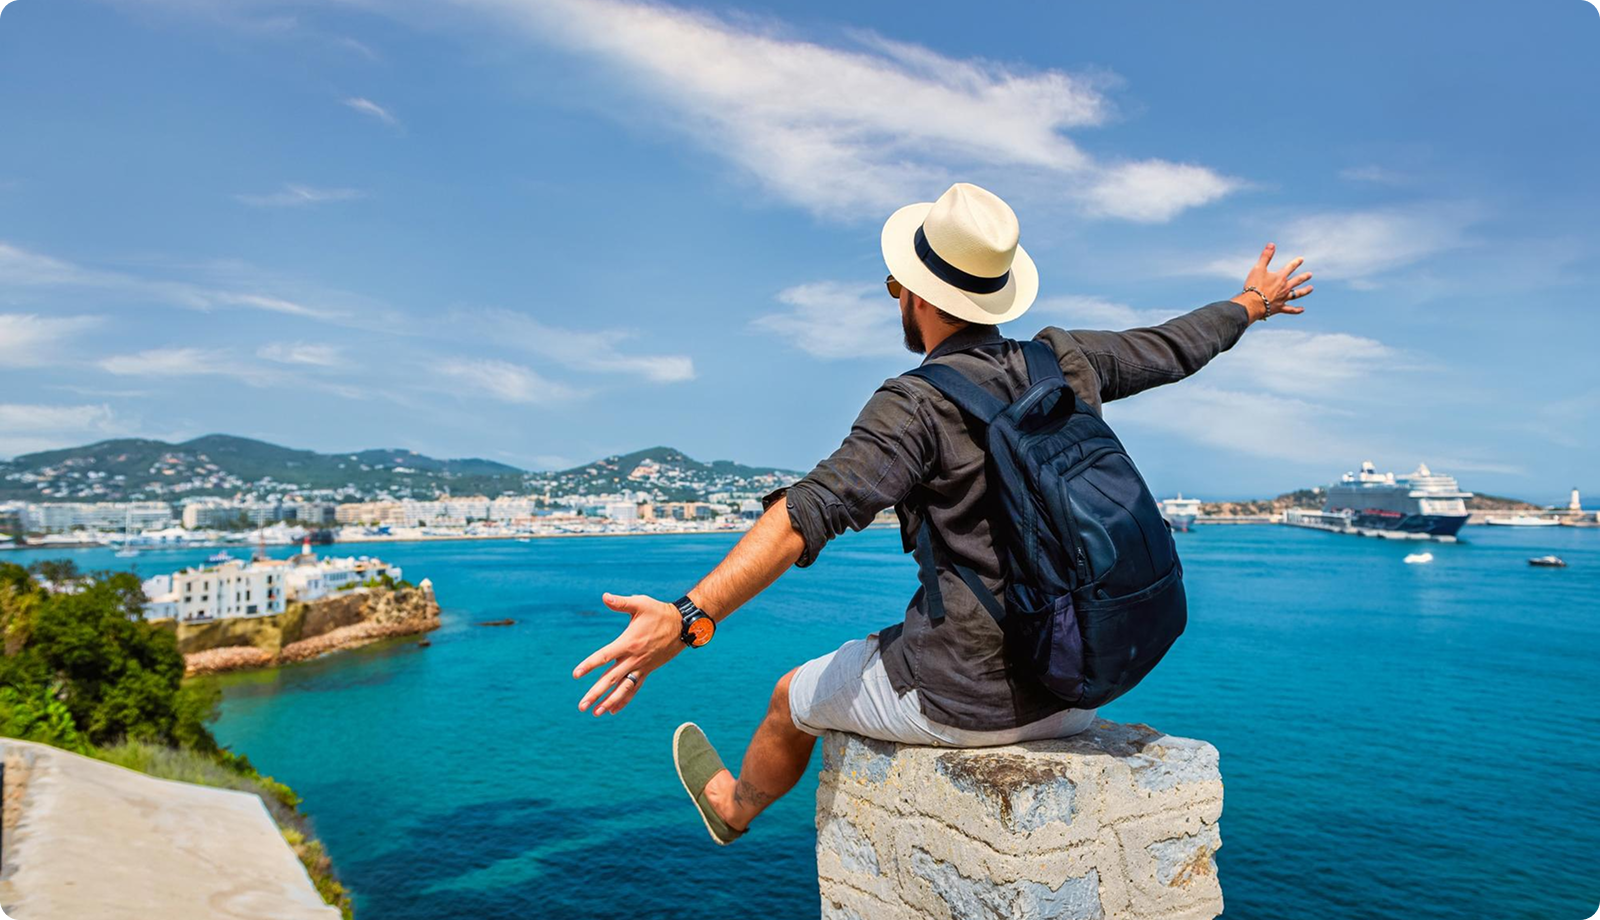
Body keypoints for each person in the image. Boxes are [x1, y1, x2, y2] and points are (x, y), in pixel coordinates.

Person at [573, 182, 1314, 845]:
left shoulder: (916, 403)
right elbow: (1173, 346)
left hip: (966, 700)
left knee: (788, 700)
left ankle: (733, 808)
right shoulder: (1064, 360)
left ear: (918, 298)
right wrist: (1251, 304)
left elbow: (806, 513)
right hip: (1083, 682)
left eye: (896, 285)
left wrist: (687, 617)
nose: (896, 295)